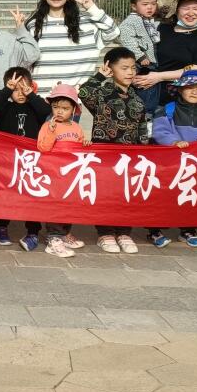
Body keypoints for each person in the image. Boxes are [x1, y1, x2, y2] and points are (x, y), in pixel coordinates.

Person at [79, 47, 148, 254]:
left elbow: (142, 129)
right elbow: (83, 92)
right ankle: (105, 233)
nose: (130, 72)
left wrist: (143, 153)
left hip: (129, 157)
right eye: (124, 68)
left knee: (126, 194)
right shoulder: (102, 94)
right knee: (106, 194)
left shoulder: (138, 100)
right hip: (105, 156)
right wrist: (100, 76)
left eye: (133, 68)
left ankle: (124, 232)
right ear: (110, 68)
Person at [148, 71, 197, 249]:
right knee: (163, 197)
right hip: (169, 164)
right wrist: (174, 142)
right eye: (189, 87)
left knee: (191, 197)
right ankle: (155, 230)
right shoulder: (168, 109)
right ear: (180, 90)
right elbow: (159, 131)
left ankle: (188, 230)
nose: (194, 91)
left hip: (193, 166)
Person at [0, 66, 51, 250]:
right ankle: (1, 226)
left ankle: (33, 231)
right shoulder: (5, 107)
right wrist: (7, 89)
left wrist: (30, 94)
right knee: (6, 194)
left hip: (31, 161)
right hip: (8, 159)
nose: (20, 93)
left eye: (24, 88)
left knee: (32, 195)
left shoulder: (35, 108)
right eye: (15, 89)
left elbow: (46, 110)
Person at [27, 0, 119, 96]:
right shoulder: (33, 25)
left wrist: (92, 8)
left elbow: (113, 32)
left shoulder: (87, 23)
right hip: (41, 98)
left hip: (76, 100)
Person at [133, 0, 197, 104]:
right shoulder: (160, 29)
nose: (191, 13)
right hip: (142, 94)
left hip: (178, 104)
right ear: (176, 10)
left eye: (196, 8)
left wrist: (158, 77)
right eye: (186, 8)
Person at [34, 83, 89, 258]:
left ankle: (64, 233)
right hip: (54, 174)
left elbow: (79, 149)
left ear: (74, 110)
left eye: (65, 108)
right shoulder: (47, 126)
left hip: (71, 175)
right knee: (55, 205)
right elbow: (43, 147)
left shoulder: (76, 127)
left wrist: (85, 143)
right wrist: (51, 132)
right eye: (56, 107)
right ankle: (53, 238)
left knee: (70, 205)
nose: (59, 111)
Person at [119, 0, 162, 113]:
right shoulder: (131, 21)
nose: (150, 7)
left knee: (152, 89)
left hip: (151, 62)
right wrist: (140, 56)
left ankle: (149, 113)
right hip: (141, 63)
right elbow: (127, 40)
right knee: (145, 89)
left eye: (153, 4)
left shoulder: (147, 21)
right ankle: (145, 115)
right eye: (145, 4)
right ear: (134, 6)